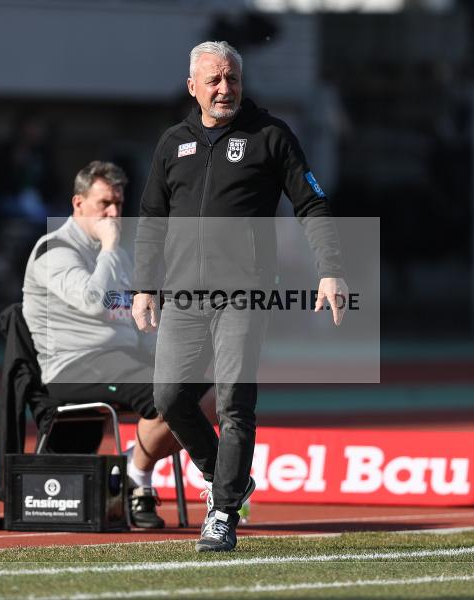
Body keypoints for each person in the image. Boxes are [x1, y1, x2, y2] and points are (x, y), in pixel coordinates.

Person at [132, 41, 348, 551]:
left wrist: (331, 270)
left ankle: (223, 512)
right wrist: (143, 284)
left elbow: (312, 204)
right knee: (169, 397)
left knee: (233, 399)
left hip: (244, 293)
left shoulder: (270, 135)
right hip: (183, 295)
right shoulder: (172, 143)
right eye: (213, 80)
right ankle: (225, 476)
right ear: (193, 87)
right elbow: (151, 220)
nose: (224, 88)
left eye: (232, 79)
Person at [22, 160, 213, 528]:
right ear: (78, 204)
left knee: (207, 396)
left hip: (122, 360)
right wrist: (110, 247)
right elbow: (94, 299)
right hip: (76, 364)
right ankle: (136, 482)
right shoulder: (55, 250)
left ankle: (129, 468)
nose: (113, 214)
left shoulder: (117, 256)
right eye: (103, 204)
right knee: (169, 398)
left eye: (118, 206)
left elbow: (135, 318)